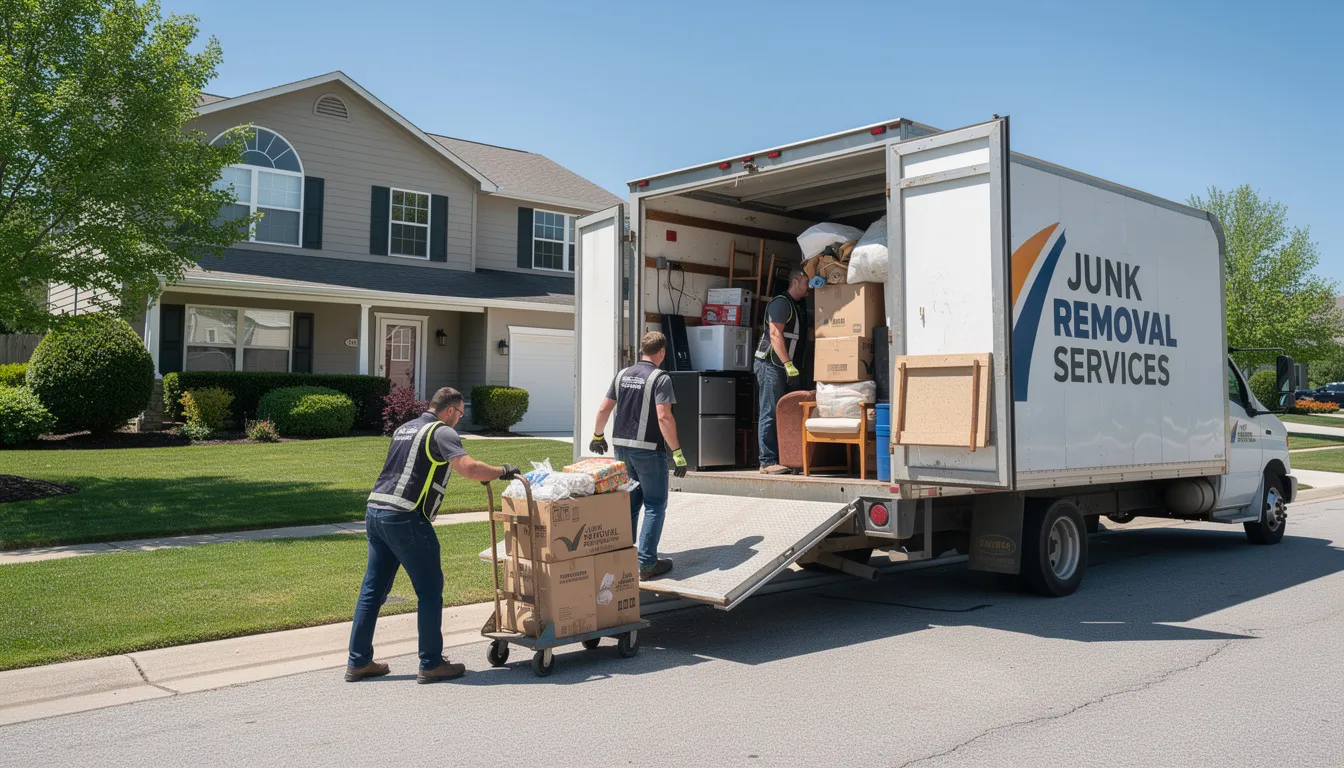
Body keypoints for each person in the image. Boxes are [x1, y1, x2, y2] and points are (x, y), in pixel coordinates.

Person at [346, 387, 519, 684]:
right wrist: (501, 470)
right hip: (405, 517)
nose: (459, 420)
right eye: (460, 414)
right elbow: (469, 468)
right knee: (429, 590)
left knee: (372, 591)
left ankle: (358, 662)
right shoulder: (441, 432)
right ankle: (431, 663)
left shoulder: (405, 428)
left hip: (376, 511)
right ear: (449, 410)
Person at [588, 331, 686, 580]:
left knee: (630, 504)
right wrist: (677, 452)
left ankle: (625, 559)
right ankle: (647, 564)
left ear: (641, 350)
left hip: (621, 449)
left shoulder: (622, 374)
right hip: (647, 451)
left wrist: (598, 436)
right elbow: (663, 416)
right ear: (662, 352)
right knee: (655, 504)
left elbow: (604, 408)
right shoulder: (660, 378)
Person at [755, 268, 810, 474]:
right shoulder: (781, 303)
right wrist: (787, 363)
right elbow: (775, 334)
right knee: (769, 410)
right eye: (806, 283)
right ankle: (767, 461)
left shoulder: (798, 306)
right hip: (772, 365)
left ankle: (787, 457)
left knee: (786, 411)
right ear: (795, 282)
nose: (809, 287)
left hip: (787, 367)